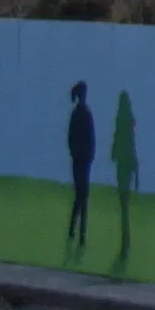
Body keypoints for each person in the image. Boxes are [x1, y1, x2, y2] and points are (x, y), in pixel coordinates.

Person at [110, 91, 139, 258]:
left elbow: (116, 150)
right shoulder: (128, 124)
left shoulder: (121, 124)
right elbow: (131, 148)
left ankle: (125, 241)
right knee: (125, 205)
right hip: (127, 166)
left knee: (124, 206)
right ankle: (126, 241)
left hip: (123, 167)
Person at [67, 81, 95, 247]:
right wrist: (84, 155)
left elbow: (73, 139)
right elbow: (86, 139)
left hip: (81, 160)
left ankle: (76, 231)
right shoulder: (83, 114)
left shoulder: (79, 113)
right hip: (82, 161)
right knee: (82, 196)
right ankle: (79, 232)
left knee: (81, 196)